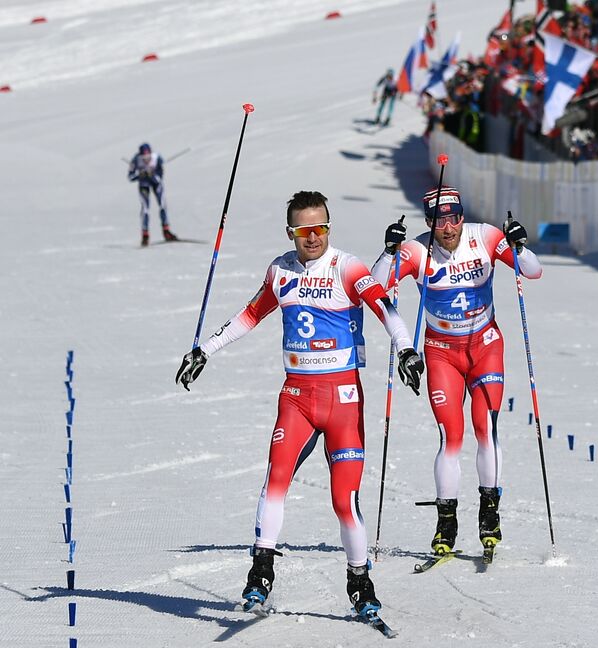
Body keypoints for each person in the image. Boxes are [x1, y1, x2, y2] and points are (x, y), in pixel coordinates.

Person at [174, 191, 424, 621]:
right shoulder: (280, 271)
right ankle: (261, 572)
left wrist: (405, 350)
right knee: (275, 480)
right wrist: (205, 349)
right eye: (304, 230)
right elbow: (250, 315)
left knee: (344, 500)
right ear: (290, 232)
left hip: (343, 398)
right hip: (298, 398)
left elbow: (386, 310)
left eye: (321, 228)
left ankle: (360, 582)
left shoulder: (348, 267)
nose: (313, 237)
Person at [371, 188, 543, 563]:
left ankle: (489, 511)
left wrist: (519, 244)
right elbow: (375, 286)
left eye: (453, 218)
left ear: (462, 216)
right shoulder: (418, 251)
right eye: (437, 221)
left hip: (485, 346)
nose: (447, 228)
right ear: (428, 222)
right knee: (451, 435)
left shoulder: (484, 237)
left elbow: (532, 270)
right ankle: (446, 521)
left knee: (486, 427)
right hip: (442, 352)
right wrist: (389, 251)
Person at [127, 143, 178, 247]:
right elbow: (130, 177)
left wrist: (153, 175)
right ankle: (145, 235)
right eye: (144, 157)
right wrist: (140, 175)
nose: (146, 159)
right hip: (144, 185)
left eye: (148, 157)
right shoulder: (135, 160)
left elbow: (160, 175)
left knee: (162, 205)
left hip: (156, 184)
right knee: (145, 209)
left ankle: (166, 231)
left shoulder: (157, 158)